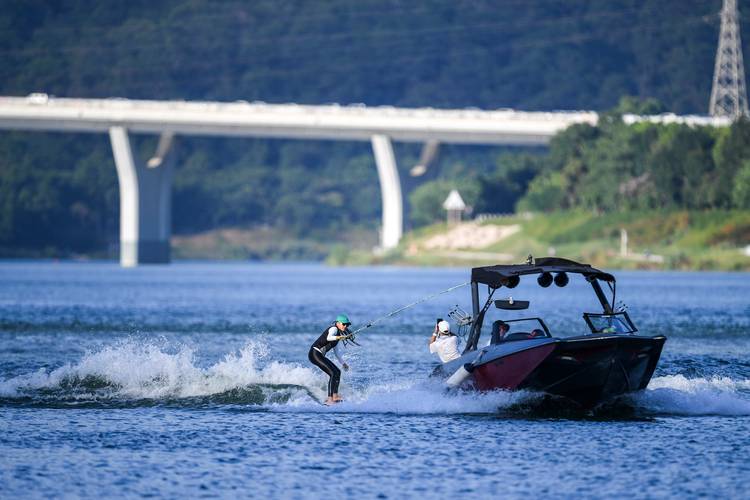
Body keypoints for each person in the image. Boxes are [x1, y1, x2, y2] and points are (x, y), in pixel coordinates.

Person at [309, 313, 351, 405]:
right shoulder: (334, 329)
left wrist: (343, 363)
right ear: (338, 323)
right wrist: (340, 337)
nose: (345, 326)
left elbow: (336, 352)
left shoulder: (338, 334)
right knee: (333, 373)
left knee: (337, 372)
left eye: (347, 325)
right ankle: (329, 399)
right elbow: (329, 337)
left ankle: (335, 396)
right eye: (344, 324)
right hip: (314, 353)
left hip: (319, 355)